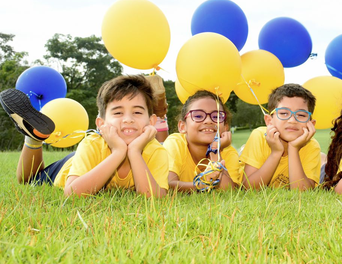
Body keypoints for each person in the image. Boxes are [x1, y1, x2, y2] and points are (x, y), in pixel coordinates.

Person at [0, 74, 169, 198]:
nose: (128, 119)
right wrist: (118, 152)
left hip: (93, 158)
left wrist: (134, 152)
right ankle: (34, 139)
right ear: (101, 123)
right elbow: (72, 194)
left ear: (152, 121)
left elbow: (154, 198)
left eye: (137, 112)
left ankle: (34, 138)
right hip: (69, 166)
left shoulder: (156, 151)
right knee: (29, 179)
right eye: (118, 112)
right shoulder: (92, 144)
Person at [240, 83, 321, 190]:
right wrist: (276, 152)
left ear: (311, 124)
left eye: (301, 115)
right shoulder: (259, 136)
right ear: (269, 121)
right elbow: (248, 188)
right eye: (283, 113)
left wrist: (294, 149)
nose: (292, 120)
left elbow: (303, 193)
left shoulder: (312, 145)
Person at [164, 90, 242, 192]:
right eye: (198, 116)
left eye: (216, 117)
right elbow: (168, 184)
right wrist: (202, 185)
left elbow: (229, 192)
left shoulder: (228, 152)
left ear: (225, 127)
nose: (208, 120)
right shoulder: (175, 143)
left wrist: (215, 151)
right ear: (182, 126)